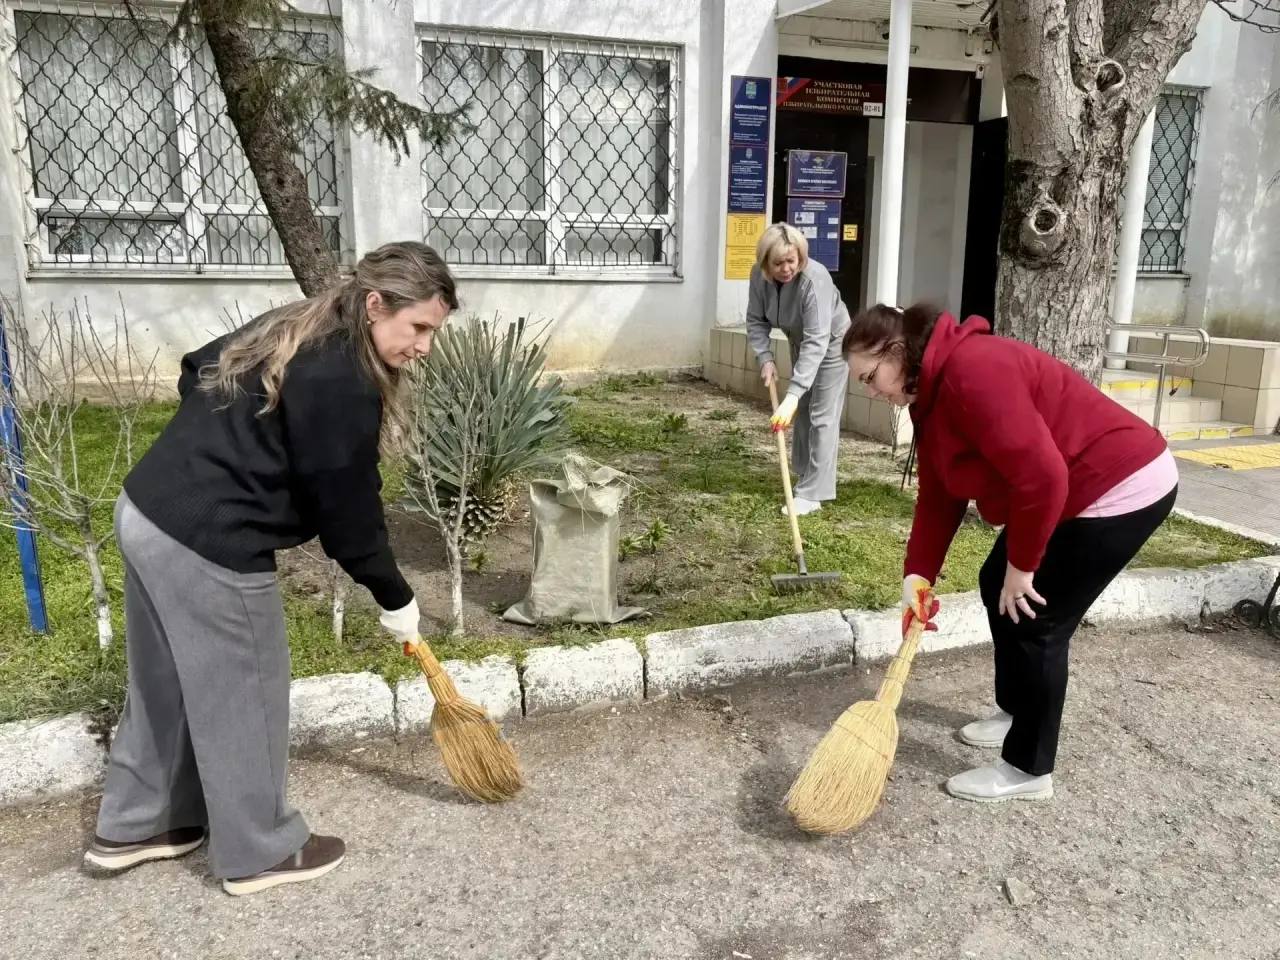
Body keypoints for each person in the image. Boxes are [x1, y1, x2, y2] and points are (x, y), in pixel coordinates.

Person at [81, 241, 457, 894]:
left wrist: (219, 445)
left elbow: (196, 369)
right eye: (419, 326)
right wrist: (393, 595)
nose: (424, 346)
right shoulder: (343, 377)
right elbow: (348, 512)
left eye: (434, 331)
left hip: (146, 509)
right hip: (208, 541)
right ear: (376, 305)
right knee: (246, 693)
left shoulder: (296, 322)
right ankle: (259, 851)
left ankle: (138, 824)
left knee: (161, 687)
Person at [844, 304, 1178, 803]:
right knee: (992, 583)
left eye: (872, 377)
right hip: (1067, 490)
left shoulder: (971, 372)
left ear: (898, 351)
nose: (872, 392)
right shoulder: (930, 395)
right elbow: (940, 496)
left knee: (1037, 619)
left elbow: (1043, 477)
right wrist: (917, 576)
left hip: (1119, 484)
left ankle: (1028, 769)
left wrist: (1024, 568)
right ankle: (1014, 711)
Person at [745, 223, 851, 516]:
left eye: (792, 260)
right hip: (798, 337)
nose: (786, 268)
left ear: (801, 256)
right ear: (765, 262)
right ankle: (806, 475)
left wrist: (791, 395)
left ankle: (814, 493)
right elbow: (756, 320)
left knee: (822, 414)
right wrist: (765, 357)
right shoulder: (758, 276)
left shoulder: (814, 278)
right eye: (778, 263)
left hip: (831, 341)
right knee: (803, 408)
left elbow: (818, 340)